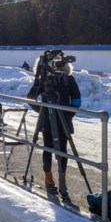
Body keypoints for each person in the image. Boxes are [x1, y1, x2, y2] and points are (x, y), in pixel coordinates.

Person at [26, 53, 81, 202]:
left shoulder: (68, 79)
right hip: (48, 121)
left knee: (62, 150)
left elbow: (76, 99)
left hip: (63, 121)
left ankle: (63, 182)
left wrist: (67, 114)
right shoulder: (44, 80)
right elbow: (31, 97)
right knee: (48, 148)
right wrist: (42, 111)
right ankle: (49, 179)